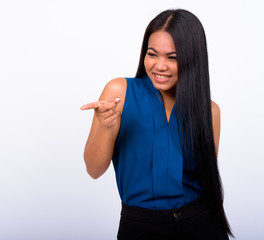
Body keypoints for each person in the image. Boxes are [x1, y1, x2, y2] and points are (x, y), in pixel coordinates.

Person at [80, 9, 233, 240]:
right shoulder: (119, 92)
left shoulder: (210, 111)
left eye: (172, 57)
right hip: (141, 226)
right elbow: (93, 170)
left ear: (193, 58)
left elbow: (207, 182)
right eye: (153, 54)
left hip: (201, 223)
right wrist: (104, 125)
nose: (160, 66)